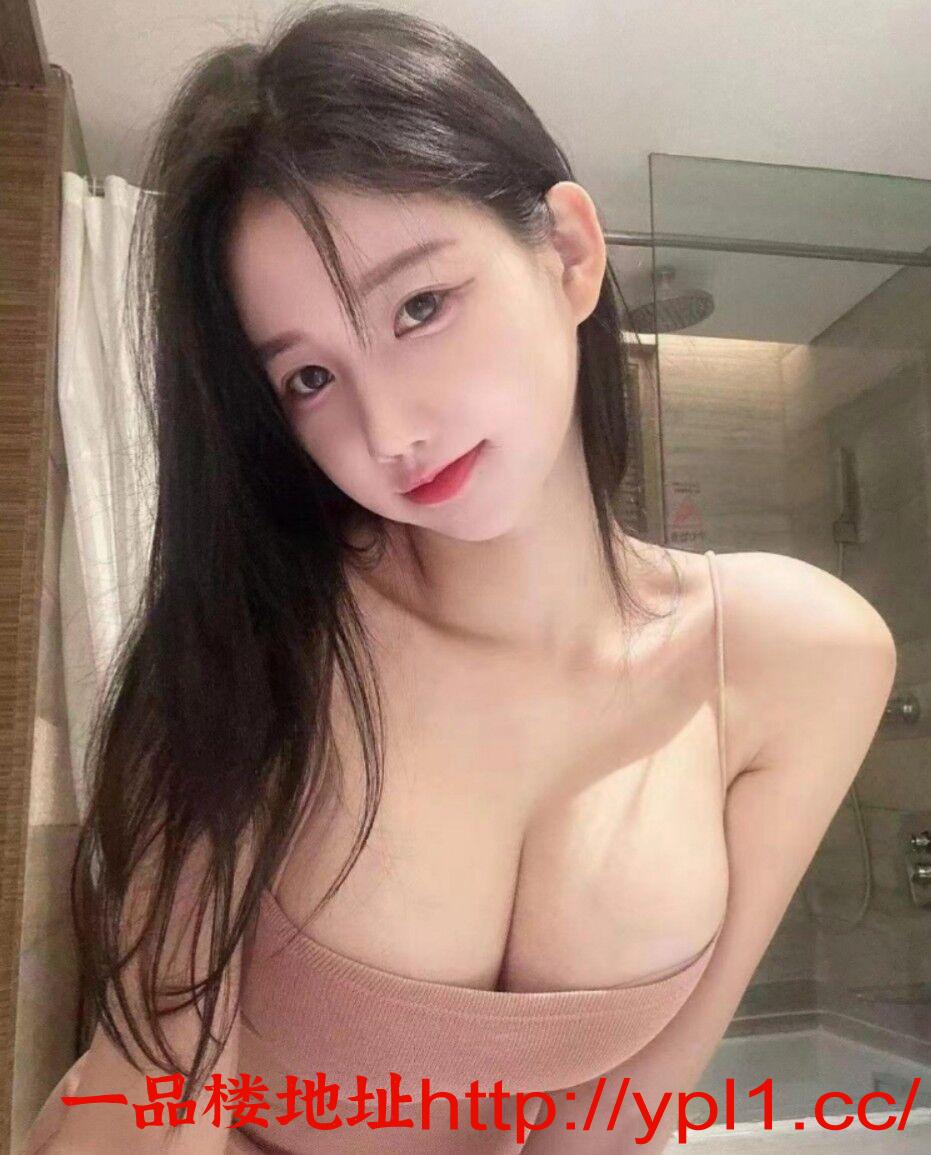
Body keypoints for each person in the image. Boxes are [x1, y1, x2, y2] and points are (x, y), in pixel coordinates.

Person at [23, 4, 896, 1153]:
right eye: (309, 378)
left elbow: (625, 1112)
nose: (389, 430)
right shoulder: (263, 639)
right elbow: (154, 1094)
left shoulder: (803, 659)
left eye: (420, 306)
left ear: (569, 254)